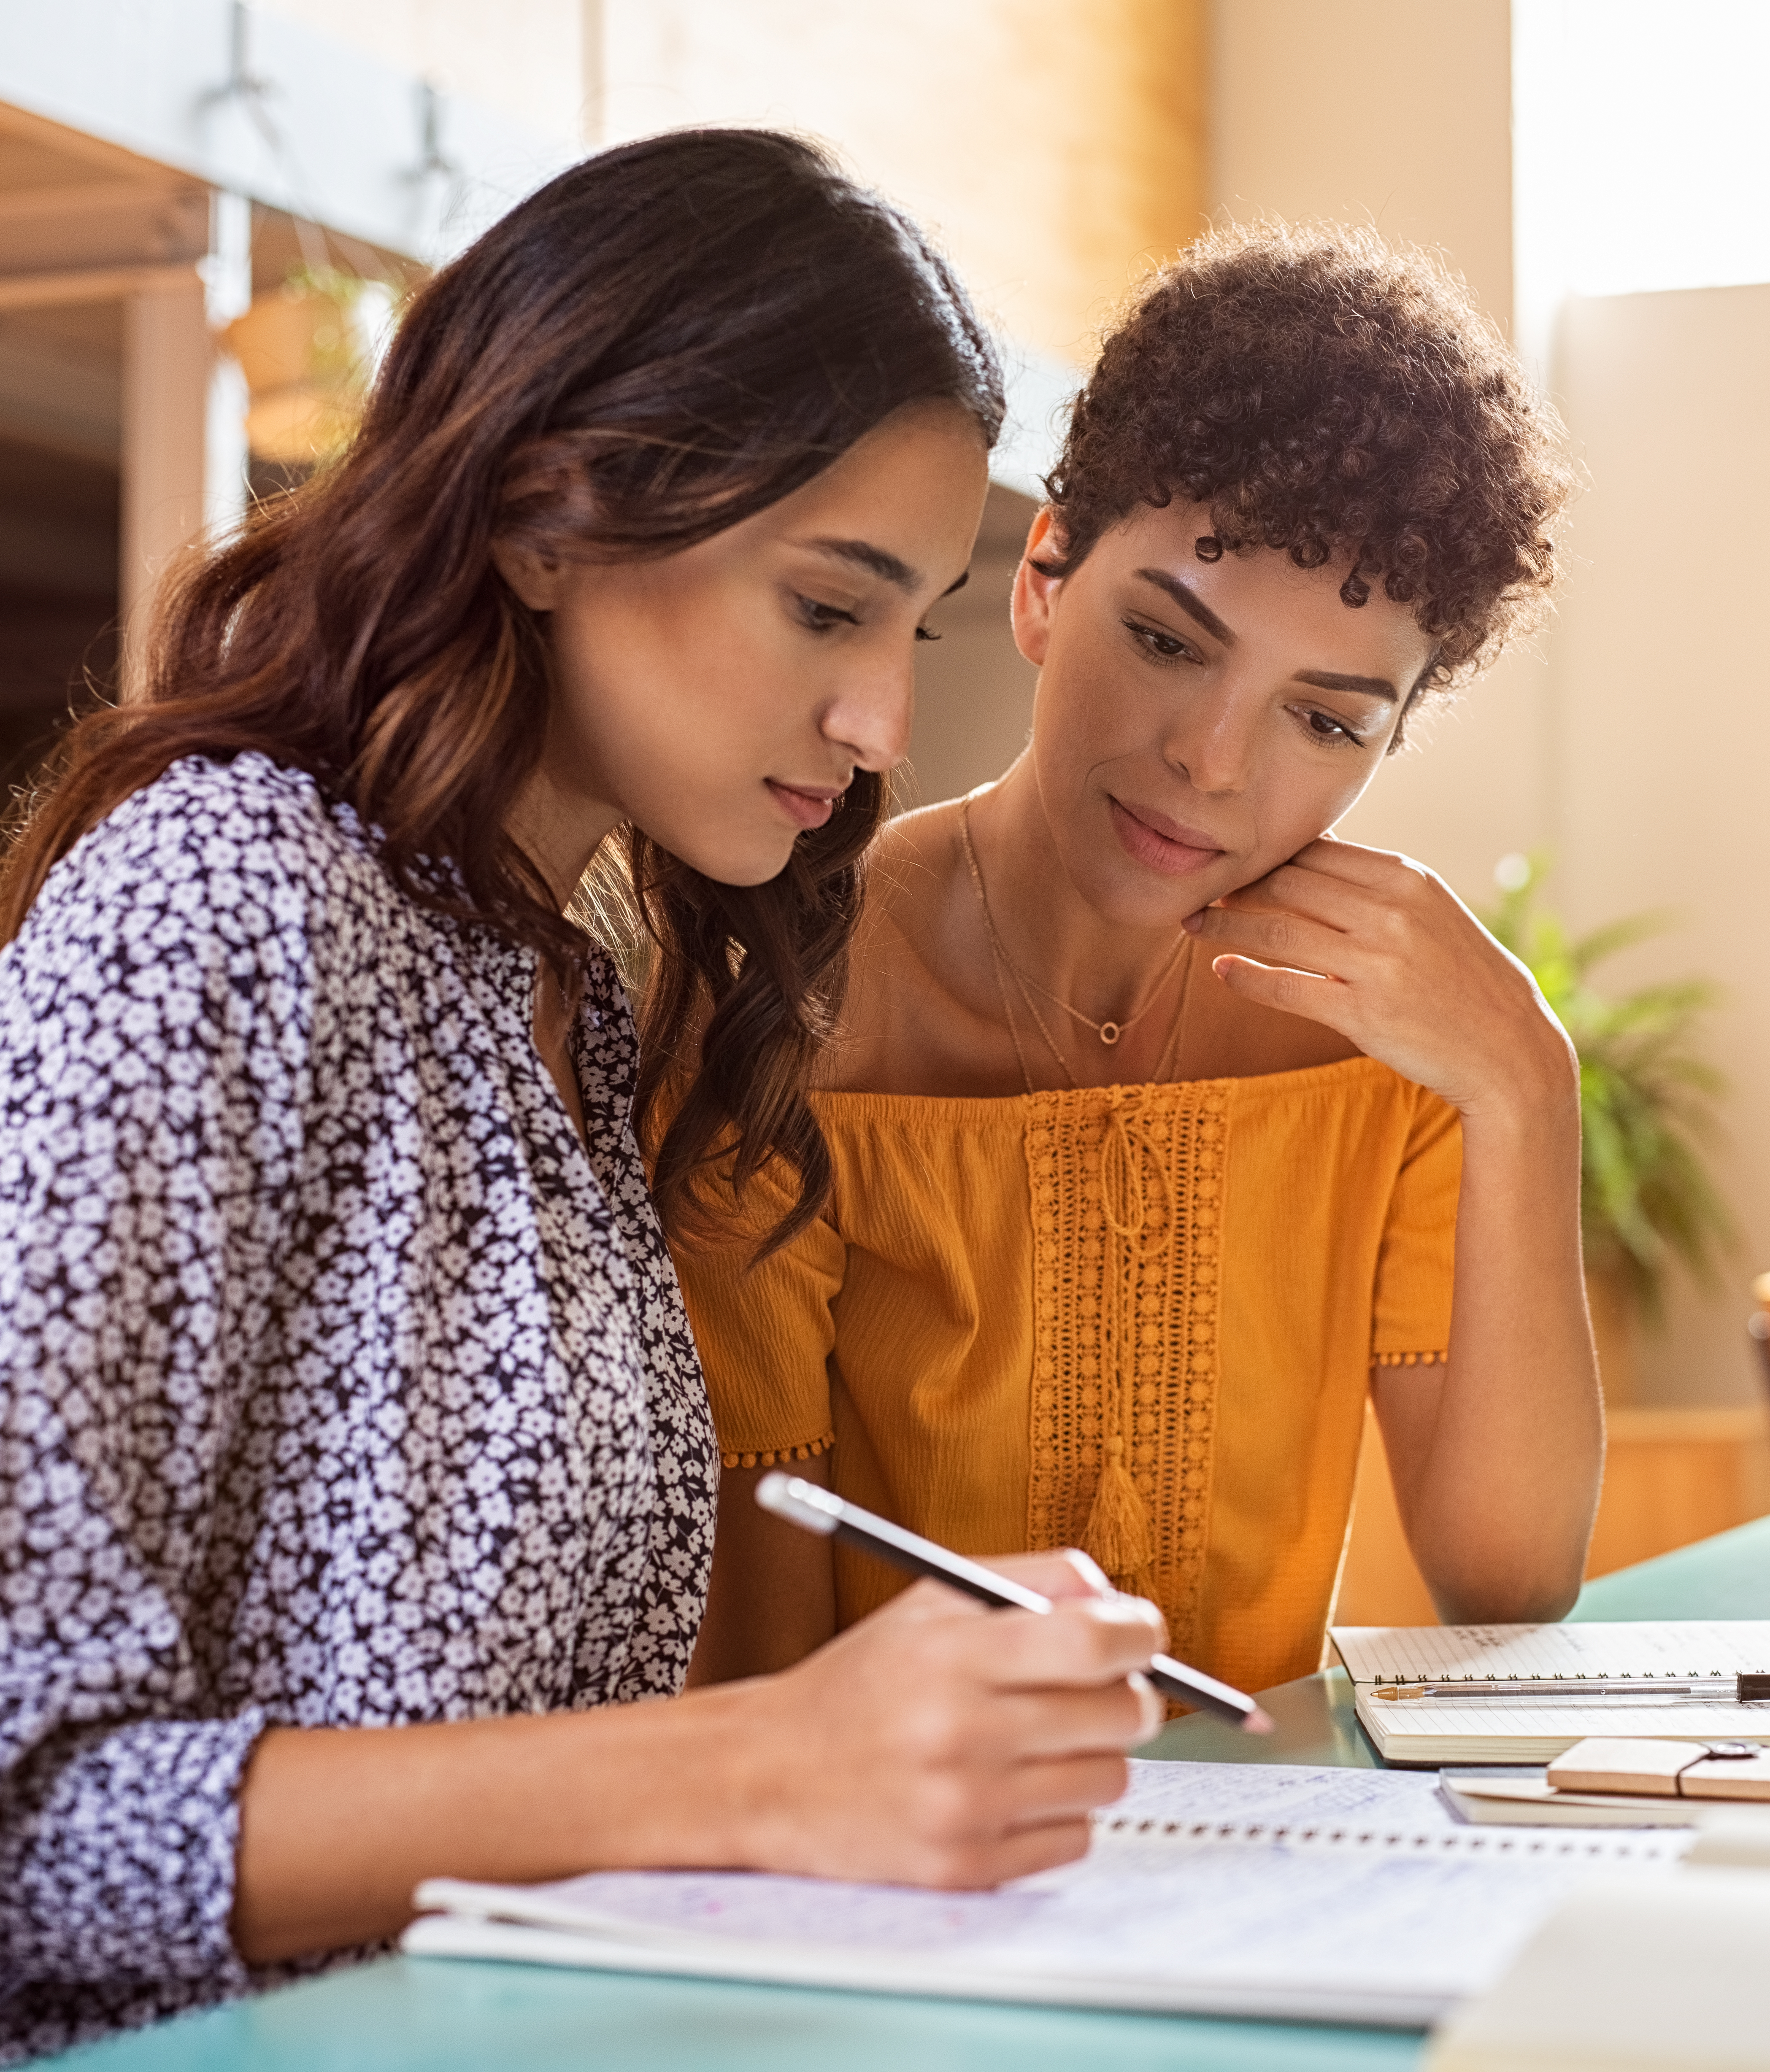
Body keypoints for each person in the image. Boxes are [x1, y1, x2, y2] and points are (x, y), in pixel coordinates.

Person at [0, 131, 1166, 2072]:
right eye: (828, 607)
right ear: (545, 523)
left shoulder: (568, 977)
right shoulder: (221, 901)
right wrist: (751, 1763)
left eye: (913, 623)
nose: (885, 720)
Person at [677, 224, 1590, 1701]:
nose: (1211, 766)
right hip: (885, 1884)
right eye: (1170, 642)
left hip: (1269, 1877)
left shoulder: (1395, 1053)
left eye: (1329, 720)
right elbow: (754, 1670)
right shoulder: (792, 1015)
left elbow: (1506, 1576)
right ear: (1042, 581)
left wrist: (1527, 1084)